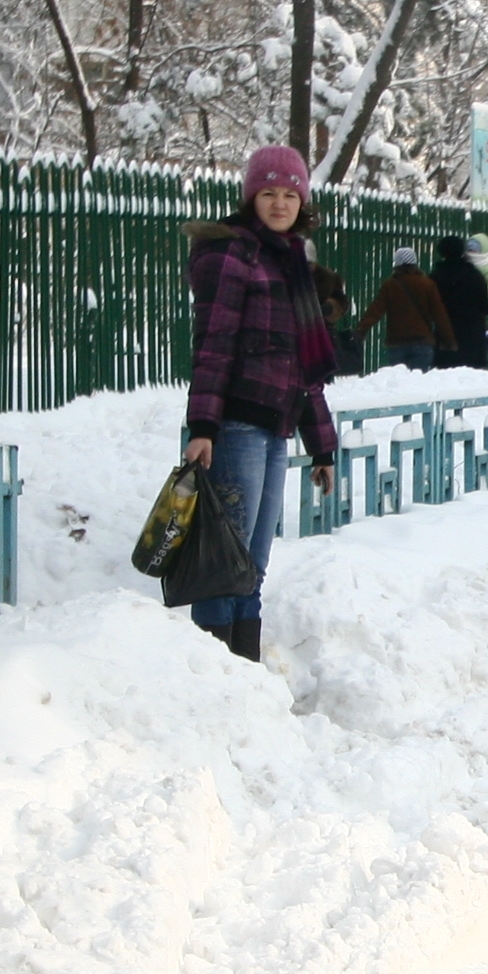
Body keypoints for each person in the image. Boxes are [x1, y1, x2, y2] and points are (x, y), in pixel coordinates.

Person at [182, 144, 339, 660]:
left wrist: (322, 446)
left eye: (289, 194)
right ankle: (213, 667)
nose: (278, 203)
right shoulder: (232, 254)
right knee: (222, 559)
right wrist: (203, 425)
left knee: (253, 561)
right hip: (236, 425)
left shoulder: (291, 261)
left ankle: (242, 673)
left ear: (302, 202)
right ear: (251, 197)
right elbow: (214, 342)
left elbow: (304, 365)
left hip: (277, 428)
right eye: (267, 193)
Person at [356, 246, 455, 370]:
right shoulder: (427, 284)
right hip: (422, 341)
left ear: (396, 264)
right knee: (418, 383)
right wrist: (449, 340)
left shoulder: (390, 285)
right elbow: (439, 314)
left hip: (397, 342)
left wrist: (361, 330)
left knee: (399, 382)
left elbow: (375, 311)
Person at [432, 234, 488, 369]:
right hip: (472, 336)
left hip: (446, 335)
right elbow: (486, 306)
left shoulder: (435, 277)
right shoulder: (475, 276)